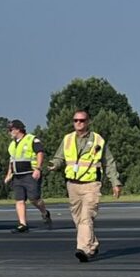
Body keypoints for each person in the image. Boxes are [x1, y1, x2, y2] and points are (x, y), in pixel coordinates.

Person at [48, 109, 123, 261]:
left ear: (88, 122)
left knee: (85, 218)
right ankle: (92, 243)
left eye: (82, 120)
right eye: (76, 120)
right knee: (77, 219)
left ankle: (83, 249)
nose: (78, 123)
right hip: (73, 185)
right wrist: (54, 165)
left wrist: (115, 182)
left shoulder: (98, 140)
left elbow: (108, 162)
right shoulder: (67, 139)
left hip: (91, 185)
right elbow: (59, 157)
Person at [3, 119, 51, 233]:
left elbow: (40, 153)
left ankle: (44, 212)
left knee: (34, 198)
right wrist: (9, 174)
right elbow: (12, 160)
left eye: (10, 130)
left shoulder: (32, 140)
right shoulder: (12, 145)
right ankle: (22, 224)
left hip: (30, 174)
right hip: (17, 176)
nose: (9, 132)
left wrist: (38, 169)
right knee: (19, 200)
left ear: (17, 129)